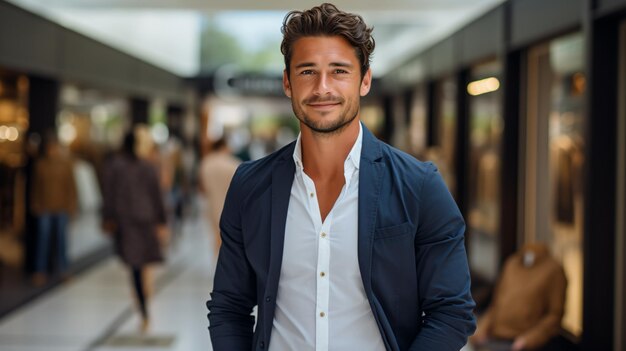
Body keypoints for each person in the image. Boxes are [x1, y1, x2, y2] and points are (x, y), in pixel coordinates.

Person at [207, 3, 476, 350]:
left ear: (364, 80)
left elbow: (452, 311)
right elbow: (229, 307)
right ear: (287, 82)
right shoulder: (250, 185)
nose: (322, 88)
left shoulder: (419, 186)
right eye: (307, 71)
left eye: (339, 71)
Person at [102, 131, 167, 332]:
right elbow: (157, 196)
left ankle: (143, 306)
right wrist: (162, 220)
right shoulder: (146, 167)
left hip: (128, 221)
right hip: (143, 220)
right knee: (140, 265)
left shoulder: (116, 166)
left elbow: (109, 194)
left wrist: (108, 217)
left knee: (136, 266)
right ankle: (143, 305)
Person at [30, 133, 77, 286]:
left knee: (61, 240)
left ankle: (63, 269)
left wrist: (71, 207)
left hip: (61, 207)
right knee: (42, 240)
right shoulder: (41, 165)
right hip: (45, 207)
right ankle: (40, 270)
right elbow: (35, 188)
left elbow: (71, 188)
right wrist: (36, 205)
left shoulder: (66, 164)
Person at [198, 137, 240, 255]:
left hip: (212, 206)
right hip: (230, 206)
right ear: (224, 146)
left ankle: (218, 265)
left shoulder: (206, 163)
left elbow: (202, 188)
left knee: (216, 238)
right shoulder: (234, 163)